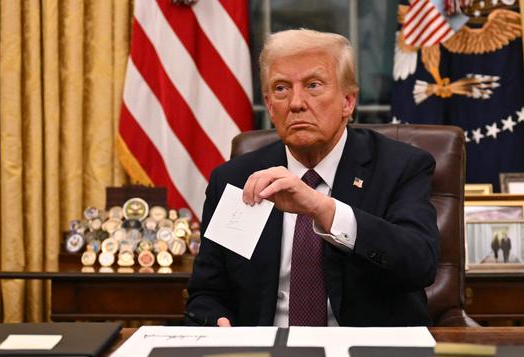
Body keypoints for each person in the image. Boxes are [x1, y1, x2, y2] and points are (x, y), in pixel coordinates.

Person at [186, 29, 440, 327]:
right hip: (264, 354)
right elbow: (207, 293)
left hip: (363, 353)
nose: (296, 103)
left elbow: (419, 263)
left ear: (348, 101)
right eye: (281, 89)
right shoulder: (238, 179)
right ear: (269, 106)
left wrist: (323, 209)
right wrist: (216, 320)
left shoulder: (401, 166)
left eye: (313, 85)